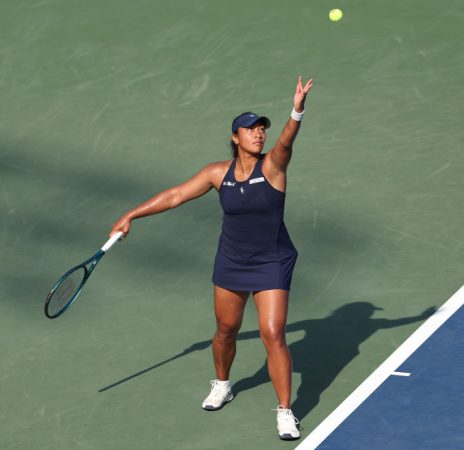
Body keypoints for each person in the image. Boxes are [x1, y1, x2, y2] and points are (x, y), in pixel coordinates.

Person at [110, 76, 313, 440]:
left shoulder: (274, 168)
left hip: (271, 261)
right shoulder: (217, 172)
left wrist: (296, 110)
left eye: (261, 129)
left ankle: (285, 411)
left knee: (273, 333)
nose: (259, 134)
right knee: (225, 331)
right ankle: (222, 383)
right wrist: (131, 215)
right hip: (232, 261)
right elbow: (175, 195)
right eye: (250, 129)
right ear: (235, 137)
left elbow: (286, 142)